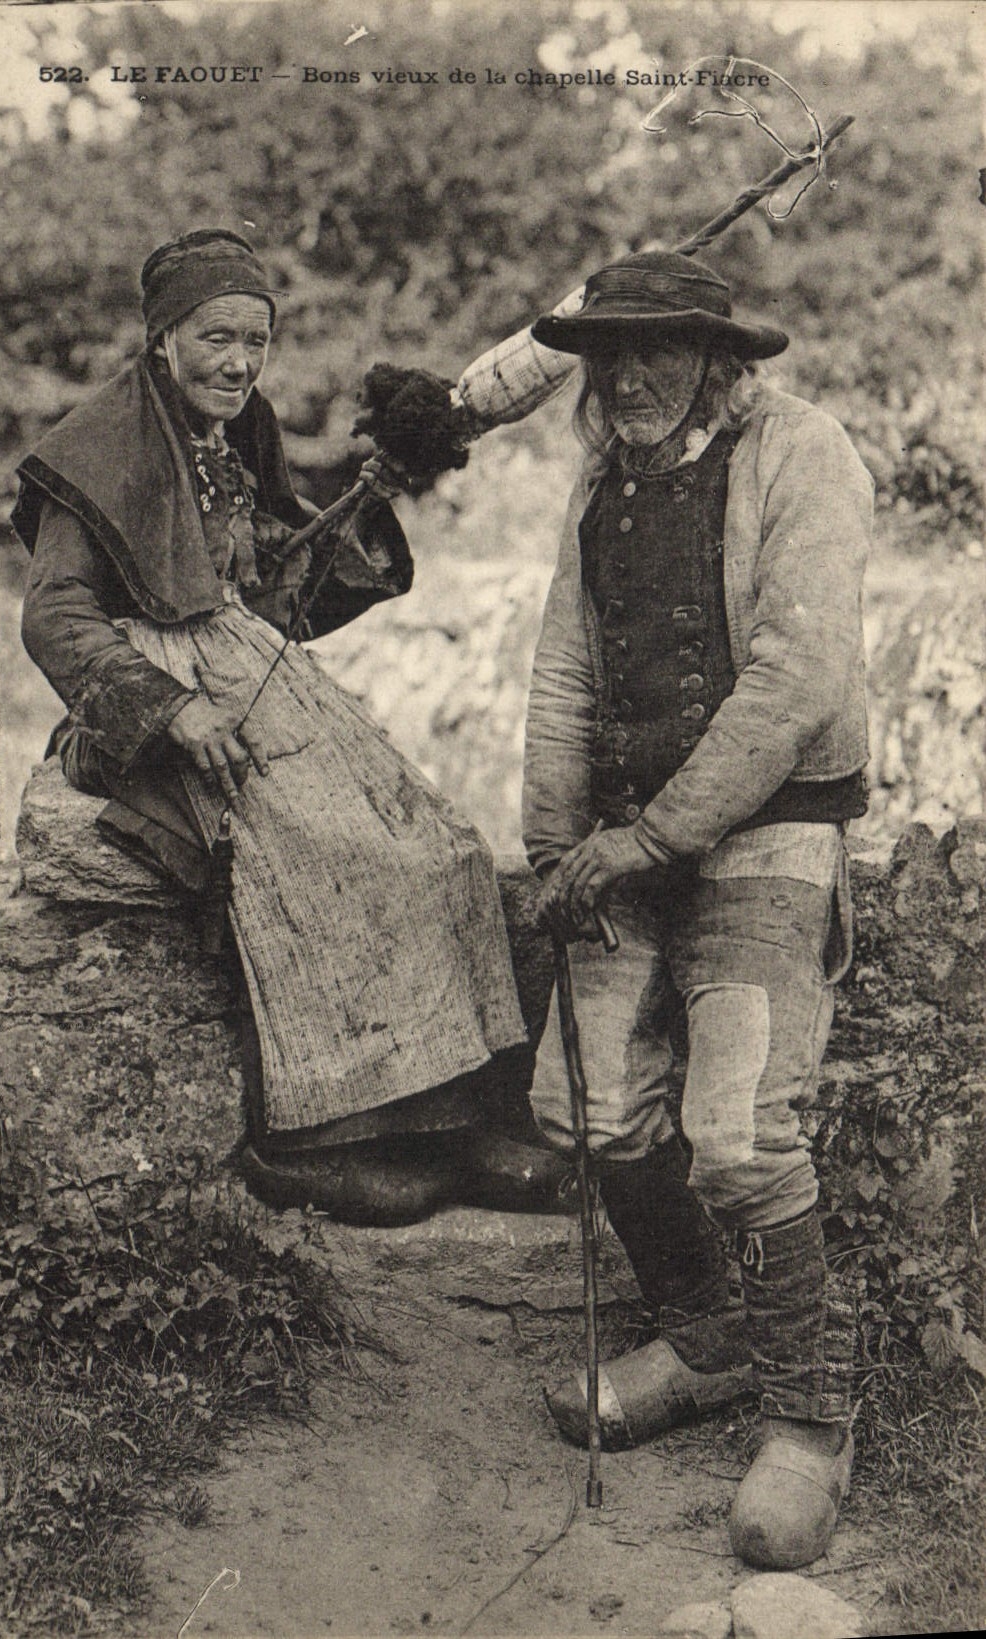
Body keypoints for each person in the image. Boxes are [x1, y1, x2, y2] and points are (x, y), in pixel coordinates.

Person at [14, 227, 546, 1219]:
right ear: (161, 336)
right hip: (161, 693)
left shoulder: (236, 430)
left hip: (241, 662)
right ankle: (313, 1137)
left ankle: (460, 1117)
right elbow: (54, 614)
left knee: (439, 843)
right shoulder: (95, 448)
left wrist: (367, 495)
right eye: (215, 336)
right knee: (328, 852)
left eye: (254, 340)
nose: (237, 361)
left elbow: (264, 579)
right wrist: (167, 711)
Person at [511, 250, 873, 1570]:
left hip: (770, 822)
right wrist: (558, 848)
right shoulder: (598, 481)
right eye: (606, 356)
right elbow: (562, 665)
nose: (628, 378)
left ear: (719, 356)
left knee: (736, 1130)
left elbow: (795, 673)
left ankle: (805, 1416)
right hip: (624, 835)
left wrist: (656, 834)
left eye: (659, 349)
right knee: (585, 1105)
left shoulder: (804, 454)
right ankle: (707, 1332)